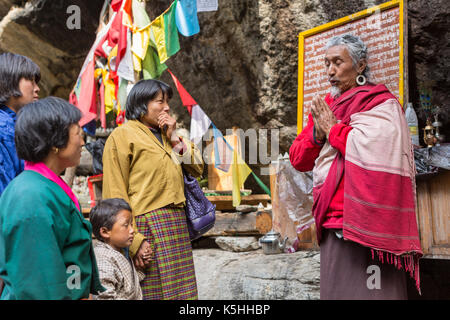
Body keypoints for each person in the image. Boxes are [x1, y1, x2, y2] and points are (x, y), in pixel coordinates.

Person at [289, 34, 422, 300]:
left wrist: (333, 129)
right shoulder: (328, 107)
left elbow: (375, 149)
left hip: (368, 220)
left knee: (375, 292)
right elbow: (298, 158)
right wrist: (318, 132)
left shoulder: (380, 103)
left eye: (338, 62)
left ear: (360, 66)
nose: (330, 71)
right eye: (326, 63)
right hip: (332, 219)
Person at [102, 79, 204, 300]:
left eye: (168, 101)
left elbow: (197, 168)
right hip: (146, 227)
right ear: (141, 104)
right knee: (153, 292)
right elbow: (114, 193)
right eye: (160, 102)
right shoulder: (122, 136)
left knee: (183, 294)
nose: (167, 107)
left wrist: (175, 139)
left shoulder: (170, 134)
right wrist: (135, 240)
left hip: (176, 225)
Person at [0, 97, 104, 299]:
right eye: (78, 134)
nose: (82, 142)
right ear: (56, 142)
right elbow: (39, 284)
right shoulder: (30, 196)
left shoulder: (44, 186)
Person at [90, 198, 151, 300]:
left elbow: (128, 284)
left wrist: (141, 269)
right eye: (126, 225)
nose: (132, 230)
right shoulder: (103, 260)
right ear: (105, 232)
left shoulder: (120, 251)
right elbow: (104, 296)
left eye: (131, 224)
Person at [0, 52, 40, 195]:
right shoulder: (4, 130)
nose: (37, 88)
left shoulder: (15, 125)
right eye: (31, 81)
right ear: (10, 81)